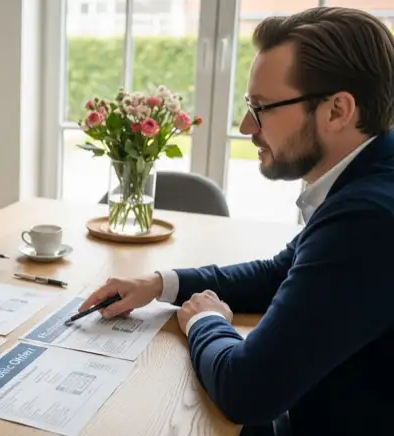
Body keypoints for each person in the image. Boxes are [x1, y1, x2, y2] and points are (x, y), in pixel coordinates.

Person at [78, 7, 394, 436]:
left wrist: (206, 321)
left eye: (262, 108)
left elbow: (247, 390)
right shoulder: (371, 180)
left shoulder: (368, 219)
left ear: (337, 110)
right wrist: (158, 284)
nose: (247, 126)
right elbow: (281, 272)